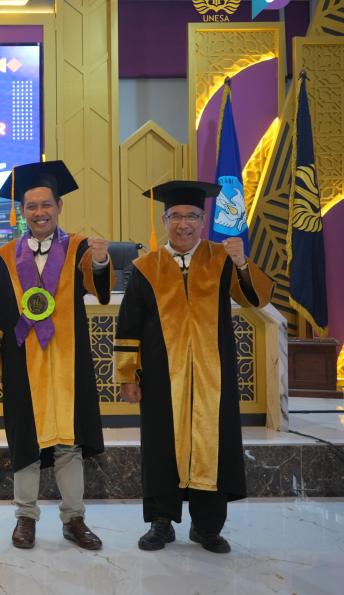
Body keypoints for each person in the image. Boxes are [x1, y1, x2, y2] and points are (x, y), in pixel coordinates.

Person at [116, 180, 274, 554]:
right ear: (164, 221)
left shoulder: (222, 258)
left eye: (191, 216)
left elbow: (256, 298)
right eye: (175, 216)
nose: (183, 224)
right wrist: (127, 375)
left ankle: (206, 526)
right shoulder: (145, 267)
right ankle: (161, 522)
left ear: (203, 220)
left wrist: (241, 262)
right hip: (160, 375)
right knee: (160, 444)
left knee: (212, 442)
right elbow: (129, 325)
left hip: (213, 374)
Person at [0, 161, 113, 550]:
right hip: (22, 361)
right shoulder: (5, 256)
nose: (40, 212)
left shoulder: (79, 248)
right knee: (26, 439)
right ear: (22, 211)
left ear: (59, 206)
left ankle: (74, 519)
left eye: (46, 204)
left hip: (69, 362)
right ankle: (26, 517)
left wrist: (101, 262)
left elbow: (100, 290)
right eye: (32, 206)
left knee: (69, 440)